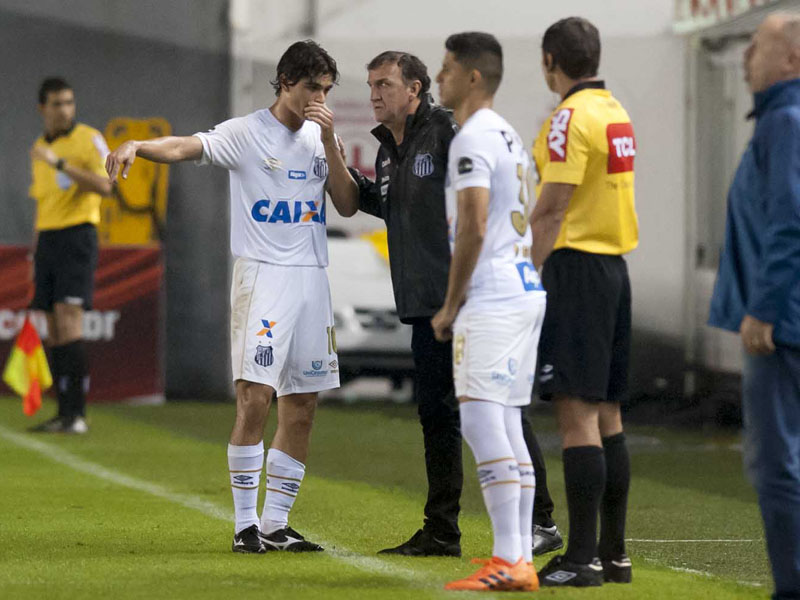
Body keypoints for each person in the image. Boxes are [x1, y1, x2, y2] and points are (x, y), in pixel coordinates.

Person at [314, 50, 561, 556]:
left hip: (468, 298)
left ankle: (540, 522)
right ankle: (442, 529)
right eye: (371, 85)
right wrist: (331, 151)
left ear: (415, 90)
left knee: (498, 411)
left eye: (385, 84)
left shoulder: (450, 134)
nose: (375, 94)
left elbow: (480, 206)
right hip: (425, 304)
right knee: (439, 416)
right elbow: (352, 202)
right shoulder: (388, 149)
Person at [106, 40, 348, 554]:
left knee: (302, 406)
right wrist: (140, 147)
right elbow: (186, 146)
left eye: (326, 90)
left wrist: (330, 143)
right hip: (263, 276)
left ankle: (276, 524)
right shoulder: (246, 132)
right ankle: (244, 526)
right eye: (312, 87)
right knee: (254, 397)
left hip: (312, 278)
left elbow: (346, 205)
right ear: (285, 82)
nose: (319, 99)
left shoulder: (320, 137)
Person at [430, 31, 545, 592]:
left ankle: (507, 559)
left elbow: (473, 225)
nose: (437, 77)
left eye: (446, 68)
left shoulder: (472, 136)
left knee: (479, 418)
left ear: (473, 76)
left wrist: (452, 303)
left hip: (494, 293)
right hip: (524, 285)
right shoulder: (510, 134)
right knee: (505, 423)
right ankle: (519, 557)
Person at [529, 17, 638, 587]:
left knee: (575, 413)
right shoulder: (614, 111)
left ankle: (581, 558)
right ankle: (614, 555)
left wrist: (529, 272)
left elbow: (552, 205)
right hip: (615, 269)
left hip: (575, 268)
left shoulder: (568, 118)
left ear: (552, 61)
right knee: (608, 414)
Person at [709, 13, 800, 600]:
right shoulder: (778, 120)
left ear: (792, 60)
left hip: (783, 326)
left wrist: (763, 308)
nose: (745, 57)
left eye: (758, 46)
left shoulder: (785, 122)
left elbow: (789, 223)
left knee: (776, 465)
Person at [28, 77, 112, 434]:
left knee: (69, 317)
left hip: (78, 235)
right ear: (42, 108)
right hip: (48, 239)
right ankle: (63, 413)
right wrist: (35, 249)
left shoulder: (88, 139)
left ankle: (77, 414)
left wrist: (61, 165)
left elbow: (107, 185)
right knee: (53, 326)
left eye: (69, 102)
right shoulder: (38, 147)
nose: (64, 110)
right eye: (57, 103)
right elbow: (45, 202)